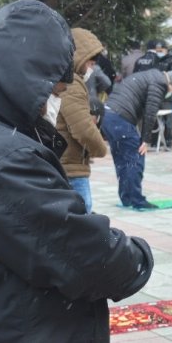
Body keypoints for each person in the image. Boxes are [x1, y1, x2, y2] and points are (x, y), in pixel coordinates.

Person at [0, 0, 153, 341]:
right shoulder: (3, 158)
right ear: (24, 80)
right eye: (54, 91)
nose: (54, 102)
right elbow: (89, 260)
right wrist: (138, 254)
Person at [102, 69, 172, 209]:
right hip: (120, 118)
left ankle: (126, 197)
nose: (169, 93)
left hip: (108, 116)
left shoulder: (150, 76)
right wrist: (145, 140)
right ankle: (136, 200)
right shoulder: (160, 83)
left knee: (122, 160)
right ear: (171, 84)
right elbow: (150, 112)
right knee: (135, 159)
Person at [56, 28, 108, 213]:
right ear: (78, 57)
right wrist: (100, 148)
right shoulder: (72, 83)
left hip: (64, 162)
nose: (91, 68)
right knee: (82, 224)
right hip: (71, 167)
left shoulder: (61, 78)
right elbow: (82, 128)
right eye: (90, 62)